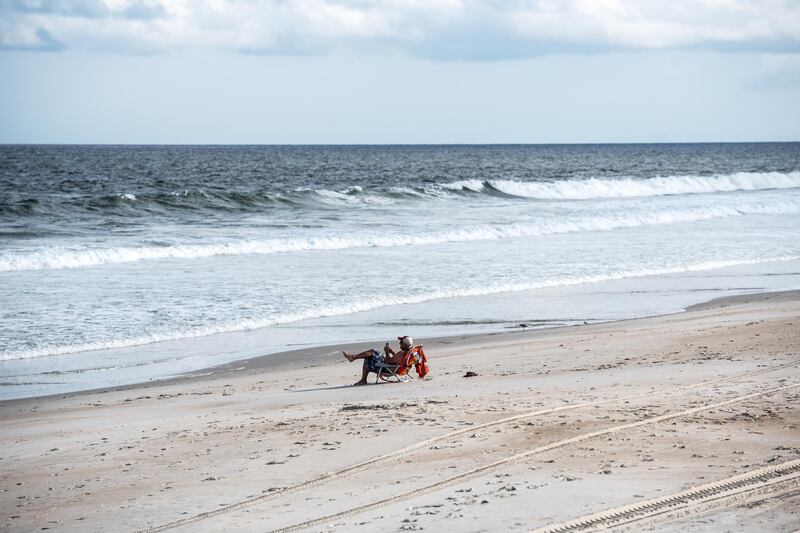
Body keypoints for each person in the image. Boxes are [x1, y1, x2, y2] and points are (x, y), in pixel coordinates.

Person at [343, 336, 414, 386]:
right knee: (372, 353)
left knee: (370, 355)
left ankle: (353, 358)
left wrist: (386, 351)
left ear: (405, 344)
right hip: (395, 367)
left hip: (387, 369)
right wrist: (391, 351)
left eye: (401, 342)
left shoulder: (401, 354)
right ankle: (353, 358)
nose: (399, 343)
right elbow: (395, 360)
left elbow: (387, 362)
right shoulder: (409, 353)